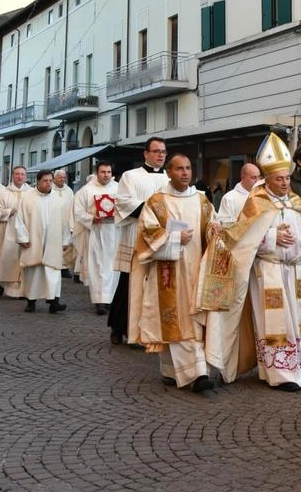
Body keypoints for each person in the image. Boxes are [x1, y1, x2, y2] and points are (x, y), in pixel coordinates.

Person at [201, 133, 301, 390]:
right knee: (276, 323)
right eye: (278, 179)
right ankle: (278, 373)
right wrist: (272, 236)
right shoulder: (256, 203)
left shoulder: (296, 202)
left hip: (296, 271)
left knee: (297, 321)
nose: (284, 184)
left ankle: (296, 364)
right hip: (269, 271)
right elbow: (242, 238)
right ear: (267, 180)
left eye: (286, 179)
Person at [132, 153, 220, 393]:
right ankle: (197, 373)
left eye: (189, 168)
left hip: (196, 271)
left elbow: (212, 225)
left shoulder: (202, 201)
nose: (185, 173)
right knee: (178, 320)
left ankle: (174, 370)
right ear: (169, 172)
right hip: (168, 273)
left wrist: (215, 230)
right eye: (180, 169)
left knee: (192, 320)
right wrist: (173, 238)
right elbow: (145, 234)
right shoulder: (157, 202)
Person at [108, 137, 169, 345]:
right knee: (128, 286)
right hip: (137, 235)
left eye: (163, 151)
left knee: (154, 288)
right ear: (146, 153)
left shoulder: (169, 179)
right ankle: (118, 327)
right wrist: (153, 211)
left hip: (160, 239)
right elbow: (123, 203)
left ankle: (150, 331)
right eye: (156, 151)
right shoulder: (130, 176)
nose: (160, 155)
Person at [13, 169, 71, 313]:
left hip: (53, 240)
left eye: (50, 181)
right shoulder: (27, 198)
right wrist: (22, 238)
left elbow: (65, 222)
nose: (48, 184)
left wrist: (65, 240)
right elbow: (19, 219)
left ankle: (54, 302)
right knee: (34, 273)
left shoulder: (58, 199)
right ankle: (31, 302)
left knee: (53, 271)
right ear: (38, 181)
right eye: (45, 181)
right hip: (34, 239)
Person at [73, 161, 120, 315]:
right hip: (95, 233)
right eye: (102, 172)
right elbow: (78, 212)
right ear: (96, 172)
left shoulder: (118, 188)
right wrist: (92, 218)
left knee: (113, 267)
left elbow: (126, 207)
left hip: (114, 233)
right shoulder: (86, 190)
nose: (106, 175)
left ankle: (111, 299)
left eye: (108, 172)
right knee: (98, 266)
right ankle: (99, 301)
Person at [0, 166, 32, 299]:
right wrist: (8, 212)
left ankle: (22, 290)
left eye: (22, 174)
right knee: (8, 259)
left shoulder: (32, 192)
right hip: (7, 230)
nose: (20, 177)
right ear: (12, 176)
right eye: (17, 174)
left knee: (23, 260)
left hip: (26, 230)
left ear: (26, 177)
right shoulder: (3, 193)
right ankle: (3, 284)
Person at [52, 170, 76, 279]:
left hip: (66, 221)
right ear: (55, 178)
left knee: (67, 245)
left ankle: (64, 267)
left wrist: (72, 222)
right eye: (60, 177)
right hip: (54, 221)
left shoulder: (69, 191)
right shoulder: (50, 189)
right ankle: (54, 265)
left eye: (64, 177)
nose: (62, 179)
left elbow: (73, 206)